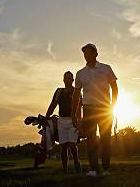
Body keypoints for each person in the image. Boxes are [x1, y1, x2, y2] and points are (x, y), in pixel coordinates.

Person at [72, 43, 118, 177]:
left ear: (96, 54)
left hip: (105, 108)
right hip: (88, 109)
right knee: (91, 139)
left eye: (89, 53)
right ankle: (93, 168)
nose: (86, 55)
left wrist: (113, 104)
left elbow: (114, 87)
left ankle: (105, 168)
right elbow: (76, 94)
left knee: (105, 139)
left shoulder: (106, 68)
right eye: (84, 53)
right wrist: (75, 112)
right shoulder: (80, 73)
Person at [46, 71, 82, 173]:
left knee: (72, 145)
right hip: (61, 121)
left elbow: (79, 108)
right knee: (63, 146)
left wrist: (79, 121)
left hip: (73, 120)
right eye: (65, 78)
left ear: (72, 80)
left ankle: (76, 163)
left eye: (69, 78)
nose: (67, 80)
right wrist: (46, 116)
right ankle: (65, 169)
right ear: (63, 80)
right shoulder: (59, 91)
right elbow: (53, 104)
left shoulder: (77, 91)